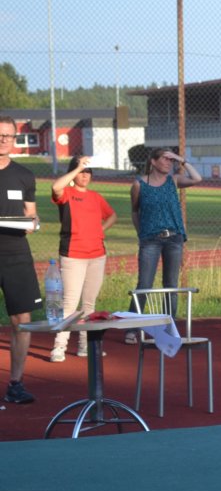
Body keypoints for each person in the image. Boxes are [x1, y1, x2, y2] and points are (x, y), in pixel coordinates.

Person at [124, 148, 202, 344]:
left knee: (171, 285)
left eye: (171, 160)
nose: (169, 163)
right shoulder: (139, 184)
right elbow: (135, 211)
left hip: (174, 238)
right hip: (150, 239)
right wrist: (141, 233)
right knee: (144, 284)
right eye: (166, 159)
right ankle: (132, 328)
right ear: (153, 161)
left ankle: (169, 327)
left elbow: (197, 178)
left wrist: (181, 160)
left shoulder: (173, 180)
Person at [49, 155, 117, 362]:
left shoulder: (96, 197)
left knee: (89, 303)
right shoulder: (67, 193)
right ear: (74, 173)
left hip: (97, 255)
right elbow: (56, 187)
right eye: (81, 172)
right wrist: (77, 167)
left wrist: (100, 230)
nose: (85, 175)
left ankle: (85, 346)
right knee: (70, 302)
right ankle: (59, 346)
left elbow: (112, 216)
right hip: (73, 255)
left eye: (88, 172)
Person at [0, 115, 41, 404]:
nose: (3, 140)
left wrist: (33, 223)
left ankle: (16, 383)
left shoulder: (25, 175)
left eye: (8, 136)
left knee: (21, 321)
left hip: (16, 254)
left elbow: (31, 214)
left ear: (15, 139)